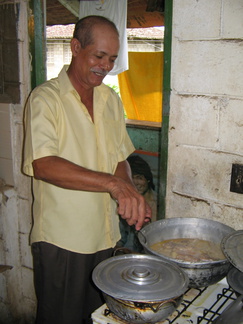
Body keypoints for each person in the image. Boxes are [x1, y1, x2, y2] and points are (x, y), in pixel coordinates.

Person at [22, 16, 151, 324]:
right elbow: (44, 164)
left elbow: (119, 158)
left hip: (105, 237)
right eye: (98, 56)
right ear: (76, 47)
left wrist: (129, 192)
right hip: (63, 241)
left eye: (112, 59)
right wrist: (114, 186)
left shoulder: (110, 100)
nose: (105, 66)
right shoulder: (46, 99)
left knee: (98, 318)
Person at [116, 155, 158, 253]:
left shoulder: (156, 204)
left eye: (139, 178)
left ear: (148, 179)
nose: (135, 183)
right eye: (131, 178)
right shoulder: (124, 201)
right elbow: (120, 237)